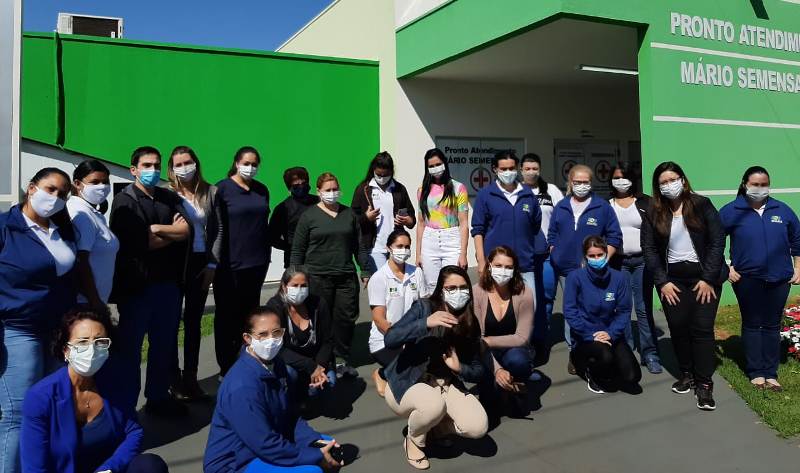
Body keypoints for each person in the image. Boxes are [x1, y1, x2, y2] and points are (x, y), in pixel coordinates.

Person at [20, 308, 169, 473]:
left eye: (100, 341)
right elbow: (34, 468)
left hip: (107, 470)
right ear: (65, 350)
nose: (91, 349)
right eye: (83, 342)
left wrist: (109, 469)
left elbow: (133, 432)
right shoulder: (40, 397)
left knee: (150, 466)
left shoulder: (115, 383)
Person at [0, 168, 77, 473]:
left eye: (62, 194)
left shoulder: (62, 229)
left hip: (58, 332)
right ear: (32, 188)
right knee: (17, 414)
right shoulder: (6, 228)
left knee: (50, 407)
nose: (55, 198)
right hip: (19, 330)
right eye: (50, 189)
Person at [204, 307, 343, 473]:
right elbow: (264, 443)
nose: (271, 340)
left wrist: (314, 441)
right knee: (313, 469)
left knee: (327, 445)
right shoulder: (241, 387)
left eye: (276, 332)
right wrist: (313, 455)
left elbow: (290, 415)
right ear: (247, 338)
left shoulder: (276, 364)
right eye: (262, 335)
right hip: (236, 463)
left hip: (268, 442)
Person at [109, 146, 190, 417]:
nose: (153, 171)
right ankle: (126, 406)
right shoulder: (124, 201)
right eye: (146, 165)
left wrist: (157, 230)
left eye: (156, 165)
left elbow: (186, 230)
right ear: (134, 169)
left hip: (168, 285)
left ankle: (157, 397)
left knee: (164, 344)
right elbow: (137, 243)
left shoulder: (168, 197)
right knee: (131, 349)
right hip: (137, 287)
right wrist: (170, 234)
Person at [383, 265, 490, 470]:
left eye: (463, 287)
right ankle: (414, 439)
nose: (458, 292)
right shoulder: (424, 307)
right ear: (441, 290)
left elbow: (478, 370)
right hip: (408, 382)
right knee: (432, 406)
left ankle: (435, 427)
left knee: (478, 427)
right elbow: (390, 338)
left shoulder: (469, 321)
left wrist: (460, 368)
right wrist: (425, 323)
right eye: (451, 288)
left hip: (445, 384)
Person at [642, 161, 728, 411]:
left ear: (683, 179)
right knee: (678, 328)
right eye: (663, 182)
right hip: (672, 281)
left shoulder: (702, 204)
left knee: (701, 329)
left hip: (704, 279)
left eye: (673, 179)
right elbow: (648, 249)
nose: (669, 185)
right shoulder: (653, 210)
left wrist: (709, 278)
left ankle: (704, 384)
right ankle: (687, 374)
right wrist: (662, 281)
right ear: (657, 187)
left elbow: (717, 241)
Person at [720, 166, 800, 392]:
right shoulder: (732, 210)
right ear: (745, 184)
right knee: (754, 322)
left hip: (779, 277)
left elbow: (797, 239)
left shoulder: (782, 210)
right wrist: (726, 268)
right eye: (755, 184)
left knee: (772, 324)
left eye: (764, 184)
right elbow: (713, 241)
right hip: (747, 279)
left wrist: (798, 267)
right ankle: (756, 372)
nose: (760, 188)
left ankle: (770, 372)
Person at [291, 172, 369, 379]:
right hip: (317, 277)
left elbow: (359, 246)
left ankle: (341, 359)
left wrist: (365, 269)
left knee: (345, 320)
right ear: (318, 192)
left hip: (345, 277)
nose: (332, 193)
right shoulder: (309, 216)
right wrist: (296, 276)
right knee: (320, 320)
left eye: (335, 189)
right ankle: (322, 362)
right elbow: (298, 250)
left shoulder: (349, 214)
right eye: (328, 190)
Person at [548, 164, 622, 374]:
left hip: (593, 271)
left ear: (591, 183)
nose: (581, 186)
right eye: (577, 182)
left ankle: (596, 348)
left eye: (586, 182)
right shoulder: (561, 206)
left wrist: (601, 260)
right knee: (572, 313)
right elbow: (552, 234)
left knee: (591, 311)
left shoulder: (602, 207)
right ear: (570, 183)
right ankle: (575, 352)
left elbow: (614, 236)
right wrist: (555, 252)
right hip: (565, 271)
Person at [167, 146, 222, 400]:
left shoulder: (211, 192)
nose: (184, 168)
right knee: (170, 324)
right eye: (178, 164)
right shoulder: (167, 193)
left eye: (187, 162)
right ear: (172, 168)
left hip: (202, 262)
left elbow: (219, 229)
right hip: (176, 263)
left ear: (196, 163)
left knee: (193, 323)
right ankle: (173, 379)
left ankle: (191, 377)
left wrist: (212, 265)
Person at [214, 146, 271, 377]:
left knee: (250, 317)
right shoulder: (222, 189)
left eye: (255, 164)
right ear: (236, 163)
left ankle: (248, 360)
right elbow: (216, 228)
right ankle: (226, 367)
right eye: (246, 163)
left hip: (256, 264)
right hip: (229, 266)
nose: (250, 167)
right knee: (227, 317)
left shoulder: (261, 190)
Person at [563, 236, 642, 394]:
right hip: (585, 335)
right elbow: (570, 311)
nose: (596, 259)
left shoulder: (618, 278)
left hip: (609, 332)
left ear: (606, 254)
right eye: (592, 256)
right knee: (605, 357)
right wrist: (589, 335)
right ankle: (587, 368)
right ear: (585, 256)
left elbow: (624, 310)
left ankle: (608, 364)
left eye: (600, 255)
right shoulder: (575, 278)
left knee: (633, 377)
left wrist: (611, 333)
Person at [608, 163, 663, 374]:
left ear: (632, 179)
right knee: (622, 308)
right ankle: (627, 352)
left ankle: (650, 354)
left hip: (642, 262)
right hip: (618, 263)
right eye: (616, 177)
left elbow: (658, 230)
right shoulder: (608, 204)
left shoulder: (645, 202)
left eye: (624, 177)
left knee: (642, 308)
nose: (620, 181)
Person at [472, 246, 534, 417]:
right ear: (489, 265)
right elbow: (478, 340)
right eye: (498, 266)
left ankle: (515, 383)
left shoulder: (525, 293)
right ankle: (500, 383)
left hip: (513, 350)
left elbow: (522, 337)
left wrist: (490, 341)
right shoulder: (477, 292)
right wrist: (498, 370)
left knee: (518, 361)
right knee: (490, 411)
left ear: (515, 270)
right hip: (485, 353)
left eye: (508, 267)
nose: (503, 271)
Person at [367, 229, 428, 397]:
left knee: (429, 363)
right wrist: (400, 339)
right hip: (385, 341)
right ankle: (382, 374)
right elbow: (379, 319)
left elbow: (425, 306)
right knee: (414, 372)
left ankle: (393, 372)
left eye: (407, 247)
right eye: (399, 246)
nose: (403, 250)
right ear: (389, 248)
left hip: (413, 336)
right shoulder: (379, 278)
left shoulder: (416, 272)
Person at [264, 267, 336, 397]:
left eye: (303, 286)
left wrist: (319, 367)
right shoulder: (275, 307)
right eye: (294, 285)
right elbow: (277, 347)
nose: (299, 290)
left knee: (329, 384)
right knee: (290, 375)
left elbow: (328, 340)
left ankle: (306, 393)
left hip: (317, 360)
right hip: (291, 362)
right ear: (284, 287)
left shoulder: (319, 304)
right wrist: (310, 367)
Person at [521, 153, 564, 365]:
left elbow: (563, 217)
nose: (531, 172)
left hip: (547, 256)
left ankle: (540, 342)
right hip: (523, 257)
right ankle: (523, 341)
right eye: (527, 168)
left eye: (534, 168)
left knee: (546, 300)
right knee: (525, 301)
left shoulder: (551, 191)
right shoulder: (517, 192)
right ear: (521, 170)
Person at [351, 151, 416, 274]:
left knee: (396, 283)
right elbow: (352, 219)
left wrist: (408, 220)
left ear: (391, 172)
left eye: (385, 175)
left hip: (396, 246)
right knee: (381, 284)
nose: (381, 178)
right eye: (378, 174)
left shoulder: (399, 189)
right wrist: (366, 217)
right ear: (373, 170)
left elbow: (411, 218)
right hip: (374, 247)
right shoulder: (363, 189)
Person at [67, 160, 119, 312]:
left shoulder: (93, 212)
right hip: (84, 303)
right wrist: (94, 300)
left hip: (93, 301)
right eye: (95, 182)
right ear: (77, 183)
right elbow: (80, 261)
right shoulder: (80, 214)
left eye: (105, 182)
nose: (102, 187)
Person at [416, 148, 470, 291]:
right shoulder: (422, 191)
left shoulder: (459, 188)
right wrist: (418, 254)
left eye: (438, 164)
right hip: (429, 240)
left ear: (445, 163)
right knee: (431, 287)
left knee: (452, 284)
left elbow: (464, 223)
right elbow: (421, 223)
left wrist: (463, 254)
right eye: (431, 166)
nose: (435, 168)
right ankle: (435, 314)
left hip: (451, 240)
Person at [269, 167, 319, 269]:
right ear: (289, 188)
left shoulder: (319, 202)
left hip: (321, 259)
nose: (301, 186)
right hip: (296, 262)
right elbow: (272, 238)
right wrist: (292, 247)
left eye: (304, 183)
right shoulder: (283, 209)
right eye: (296, 185)